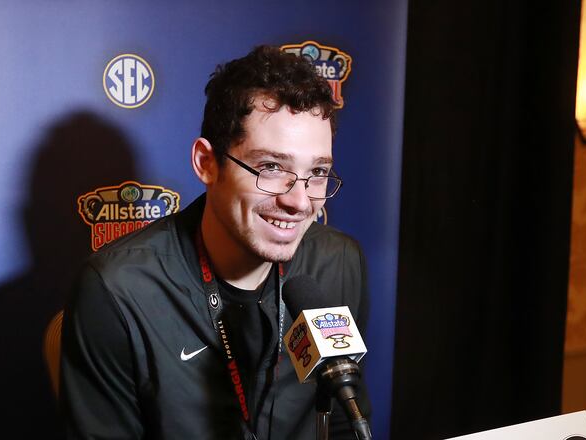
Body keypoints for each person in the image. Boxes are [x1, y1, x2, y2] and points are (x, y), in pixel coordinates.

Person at [60, 45, 370, 440]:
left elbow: (348, 421)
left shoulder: (340, 262)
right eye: (271, 168)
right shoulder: (118, 291)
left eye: (318, 172)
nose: (298, 200)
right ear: (207, 163)